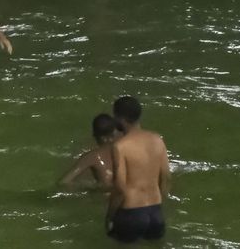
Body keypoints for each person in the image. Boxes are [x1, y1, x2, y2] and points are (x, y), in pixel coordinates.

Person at [106, 96, 170, 243]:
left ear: (120, 118)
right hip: (155, 213)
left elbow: (120, 188)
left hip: (131, 213)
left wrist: (109, 216)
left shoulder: (121, 146)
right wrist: (158, 208)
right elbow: (166, 178)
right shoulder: (157, 139)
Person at [60, 113, 121, 188]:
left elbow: (63, 182)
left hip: (107, 198)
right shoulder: (126, 148)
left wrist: (91, 187)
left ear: (99, 137)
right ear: (114, 132)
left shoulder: (93, 156)